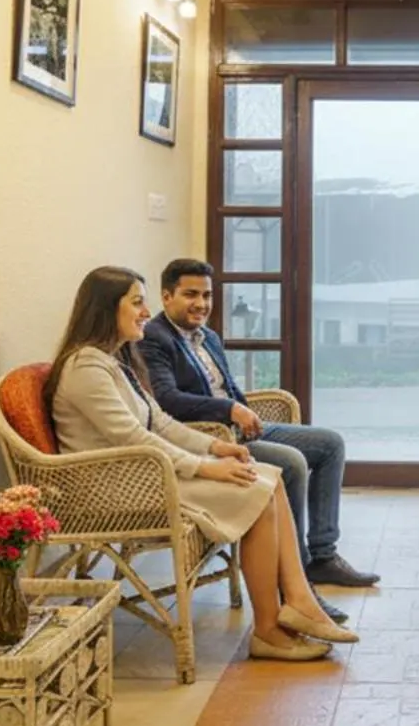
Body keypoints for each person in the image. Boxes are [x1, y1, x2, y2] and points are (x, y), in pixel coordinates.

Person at [47, 266, 357, 662]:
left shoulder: (113, 361)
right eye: (137, 303)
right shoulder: (86, 368)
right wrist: (206, 466)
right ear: (107, 308)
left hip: (144, 471)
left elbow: (159, 422)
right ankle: (268, 629)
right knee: (257, 486)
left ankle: (297, 599)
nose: (145, 312)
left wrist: (216, 446)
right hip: (117, 485)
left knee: (269, 476)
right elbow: (134, 438)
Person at [140, 259, 379, 609]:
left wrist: (241, 410)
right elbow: (166, 400)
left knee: (329, 444)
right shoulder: (154, 339)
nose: (202, 303)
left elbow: (228, 388)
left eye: (207, 295)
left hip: (239, 427)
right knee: (292, 463)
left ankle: (323, 557)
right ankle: (293, 582)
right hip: (209, 435)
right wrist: (230, 411)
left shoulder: (208, 337)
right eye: (190, 294)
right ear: (166, 296)